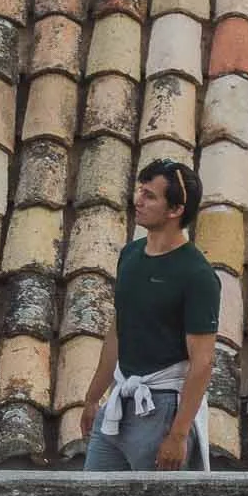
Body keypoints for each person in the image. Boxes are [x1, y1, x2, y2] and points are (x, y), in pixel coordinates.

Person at [83, 158, 219, 471]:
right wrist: (93, 397)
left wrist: (178, 435)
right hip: (120, 403)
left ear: (175, 210)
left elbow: (202, 361)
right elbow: (119, 331)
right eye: (140, 191)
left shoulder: (196, 274)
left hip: (162, 410)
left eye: (150, 196)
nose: (138, 201)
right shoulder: (130, 256)